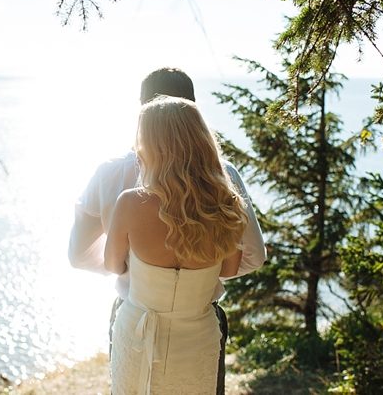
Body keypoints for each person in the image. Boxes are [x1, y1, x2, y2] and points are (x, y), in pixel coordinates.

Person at [68, 68, 266, 394]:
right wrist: (199, 275)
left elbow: (86, 259)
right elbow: (246, 261)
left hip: (136, 316)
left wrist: (140, 274)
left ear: (143, 115)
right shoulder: (224, 185)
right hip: (200, 322)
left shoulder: (120, 188)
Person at [104, 95, 251, 394]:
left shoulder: (131, 203)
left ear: (151, 145)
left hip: (137, 333)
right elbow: (229, 269)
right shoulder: (228, 204)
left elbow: (112, 265)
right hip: (198, 336)